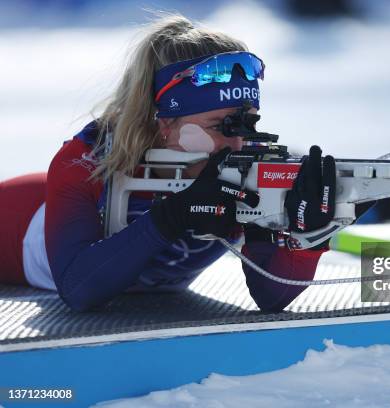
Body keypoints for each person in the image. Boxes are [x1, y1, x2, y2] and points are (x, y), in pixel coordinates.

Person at [0, 14, 336, 313]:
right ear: (164, 124)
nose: (238, 143)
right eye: (221, 126)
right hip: (14, 218)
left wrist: (308, 238)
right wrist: (174, 215)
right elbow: (79, 290)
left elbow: (271, 298)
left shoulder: (244, 169)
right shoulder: (85, 162)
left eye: (248, 123)